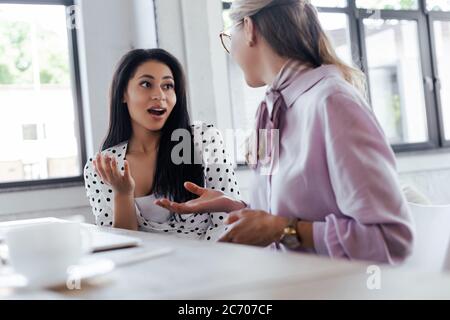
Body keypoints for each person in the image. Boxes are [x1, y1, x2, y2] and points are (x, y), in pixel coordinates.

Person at [155, 0, 414, 263]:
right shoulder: (271, 108)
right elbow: (283, 221)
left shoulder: (333, 102)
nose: (229, 50)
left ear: (249, 28)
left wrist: (283, 230)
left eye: (227, 37)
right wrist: (235, 207)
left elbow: (390, 240)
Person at [84, 49, 240, 241]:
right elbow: (121, 245)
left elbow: (228, 222)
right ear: (123, 93)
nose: (159, 95)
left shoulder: (203, 139)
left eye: (168, 86)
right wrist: (122, 193)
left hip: (210, 265)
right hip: (146, 269)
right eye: (146, 84)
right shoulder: (102, 167)